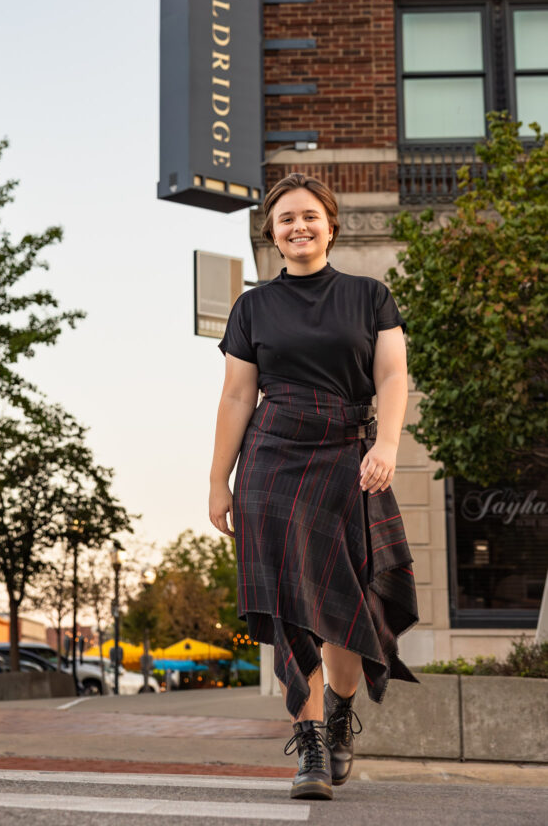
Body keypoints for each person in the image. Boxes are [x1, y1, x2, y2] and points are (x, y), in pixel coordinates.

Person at [209, 173, 419, 801]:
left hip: (349, 457)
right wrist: (218, 480)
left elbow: (392, 376)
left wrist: (386, 444)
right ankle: (310, 751)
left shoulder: (369, 296)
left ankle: (338, 715)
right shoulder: (252, 307)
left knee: (347, 613)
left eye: (308, 216)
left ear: (330, 224)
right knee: (290, 610)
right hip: (271, 460)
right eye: (284, 220)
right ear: (271, 235)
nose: (297, 227)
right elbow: (237, 394)